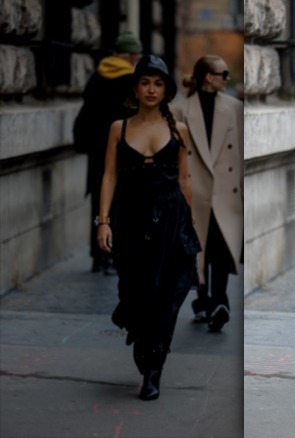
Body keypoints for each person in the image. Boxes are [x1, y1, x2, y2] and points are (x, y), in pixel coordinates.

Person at [97, 55, 201, 400]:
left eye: (158, 83)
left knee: (167, 299)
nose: (152, 89)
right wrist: (104, 222)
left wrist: (191, 227)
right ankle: (143, 348)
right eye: (145, 82)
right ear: (135, 88)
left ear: (167, 89)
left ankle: (154, 369)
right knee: (136, 293)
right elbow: (109, 176)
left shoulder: (178, 130)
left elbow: (184, 180)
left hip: (171, 221)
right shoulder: (119, 128)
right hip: (130, 220)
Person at [172, 55, 243, 331]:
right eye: (222, 74)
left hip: (226, 190)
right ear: (207, 78)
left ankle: (220, 300)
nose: (227, 78)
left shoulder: (234, 108)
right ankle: (203, 301)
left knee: (221, 247)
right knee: (198, 248)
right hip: (194, 189)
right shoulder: (180, 110)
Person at [73, 32, 143, 275]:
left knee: (99, 202)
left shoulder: (98, 74)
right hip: (121, 150)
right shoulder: (130, 80)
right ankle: (112, 255)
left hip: (97, 149)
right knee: (120, 202)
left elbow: (87, 111)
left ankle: (98, 256)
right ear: (132, 56)